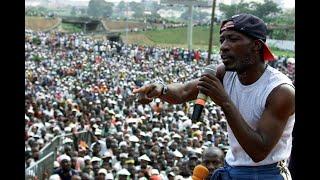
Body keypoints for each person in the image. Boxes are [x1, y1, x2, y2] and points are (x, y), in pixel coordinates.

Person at [133, 13, 295, 179]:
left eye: (232, 39)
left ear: (256, 45)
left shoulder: (280, 91)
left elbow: (258, 151)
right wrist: (161, 90)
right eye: (222, 40)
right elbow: (182, 92)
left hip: (266, 174)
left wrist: (224, 101)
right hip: (231, 168)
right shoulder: (225, 73)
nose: (224, 46)